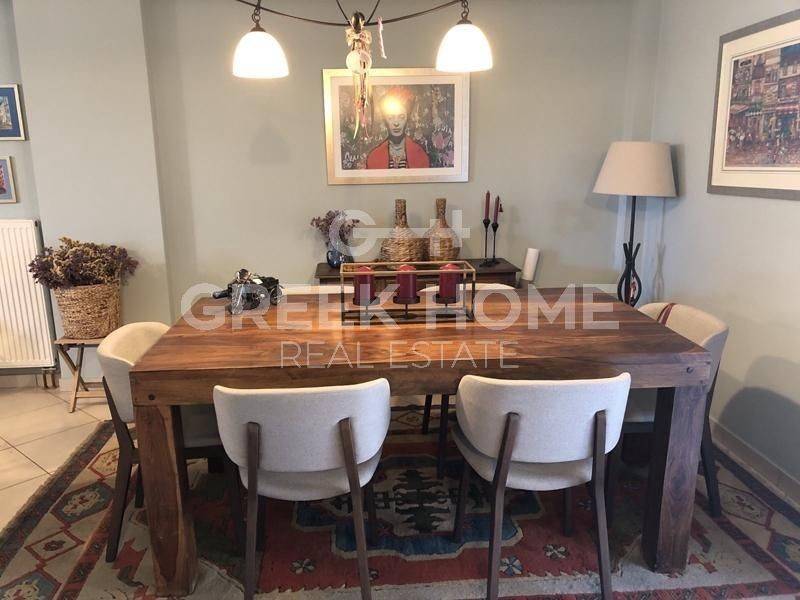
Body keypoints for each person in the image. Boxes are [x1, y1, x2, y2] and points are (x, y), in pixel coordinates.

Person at [366, 87, 430, 169]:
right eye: (390, 117)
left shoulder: (420, 155)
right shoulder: (374, 157)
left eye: (401, 117)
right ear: (385, 120)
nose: (396, 123)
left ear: (407, 119)